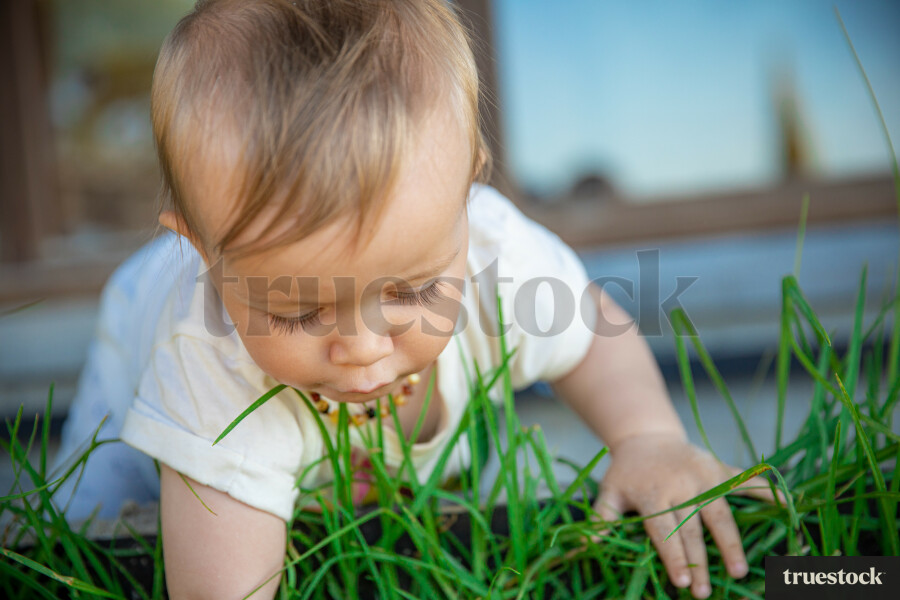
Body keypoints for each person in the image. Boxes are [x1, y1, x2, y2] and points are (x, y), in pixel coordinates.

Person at [53, 1, 774, 598]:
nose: (364, 346)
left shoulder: (500, 260)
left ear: (469, 196)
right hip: (134, 366)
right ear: (202, 255)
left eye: (412, 290)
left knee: (417, 527)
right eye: (300, 310)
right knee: (93, 533)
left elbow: (590, 331)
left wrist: (648, 439)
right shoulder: (206, 359)